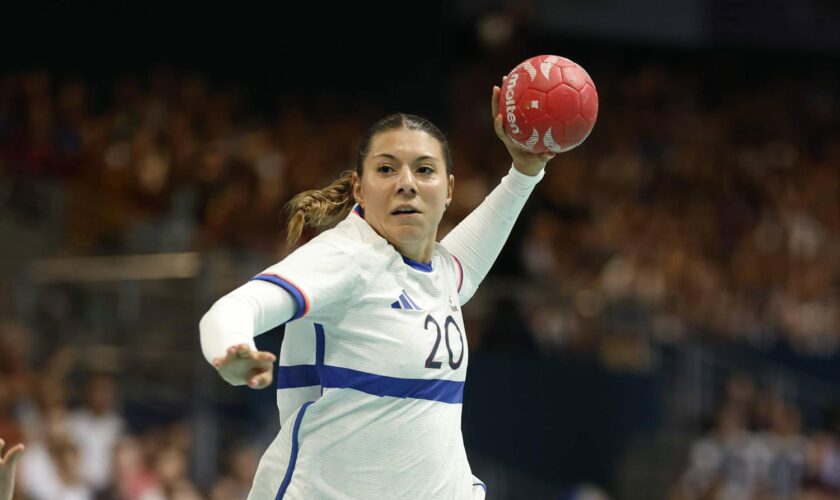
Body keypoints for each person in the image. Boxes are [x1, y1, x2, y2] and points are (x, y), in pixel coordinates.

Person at [199, 76, 557, 499]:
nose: (406, 182)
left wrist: (525, 171)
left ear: (448, 191)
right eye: (386, 169)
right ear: (359, 188)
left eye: (424, 170)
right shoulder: (349, 258)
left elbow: (476, 246)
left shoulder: (439, 271)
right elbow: (235, 307)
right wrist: (231, 346)